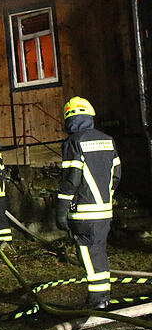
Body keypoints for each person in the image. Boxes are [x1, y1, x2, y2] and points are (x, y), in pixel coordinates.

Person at [56, 97, 121, 310]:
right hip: (104, 211)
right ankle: (103, 296)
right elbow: (117, 174)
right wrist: (106, 196)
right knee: (98, 252)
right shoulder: (108, 140)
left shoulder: (73, 142)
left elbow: (71, 179)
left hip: (83, 213)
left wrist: (62, 209)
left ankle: (98, 301)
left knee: (87, 252)